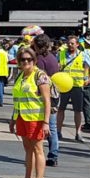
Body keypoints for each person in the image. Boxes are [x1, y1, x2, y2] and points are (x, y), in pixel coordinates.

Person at [9, 48, 51, 178]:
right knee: (28, 149)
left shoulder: (40, 76)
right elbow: (18, 99)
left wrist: (46, 122)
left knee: (38, 150)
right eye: (22, 59)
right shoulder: (21, 76)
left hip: (36, 119)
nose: (26, 61)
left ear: (34, 60)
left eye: (29, 59)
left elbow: (47, 100)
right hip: (22, 117)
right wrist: (13, 119)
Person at [56, 35, 90, 143]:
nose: (70, 45)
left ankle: (78, 132)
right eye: (68, 43)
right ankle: (58, 131)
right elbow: (57, 66)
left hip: (77, 85)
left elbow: (89, 66)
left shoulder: (83, 55)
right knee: (61, 108)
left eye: (72, 43)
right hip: (64, 85)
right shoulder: (61, 54)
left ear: (77, 44)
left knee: (78, 110)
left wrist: (88, 78)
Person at [32, 34, 60, 167]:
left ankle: (44, 154)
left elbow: (39, 78)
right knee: (53, 128)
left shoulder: (40, 59)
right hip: (55, 94)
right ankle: (54, 154)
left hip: (44, 96)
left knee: (45, 126)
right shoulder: (53, 58)